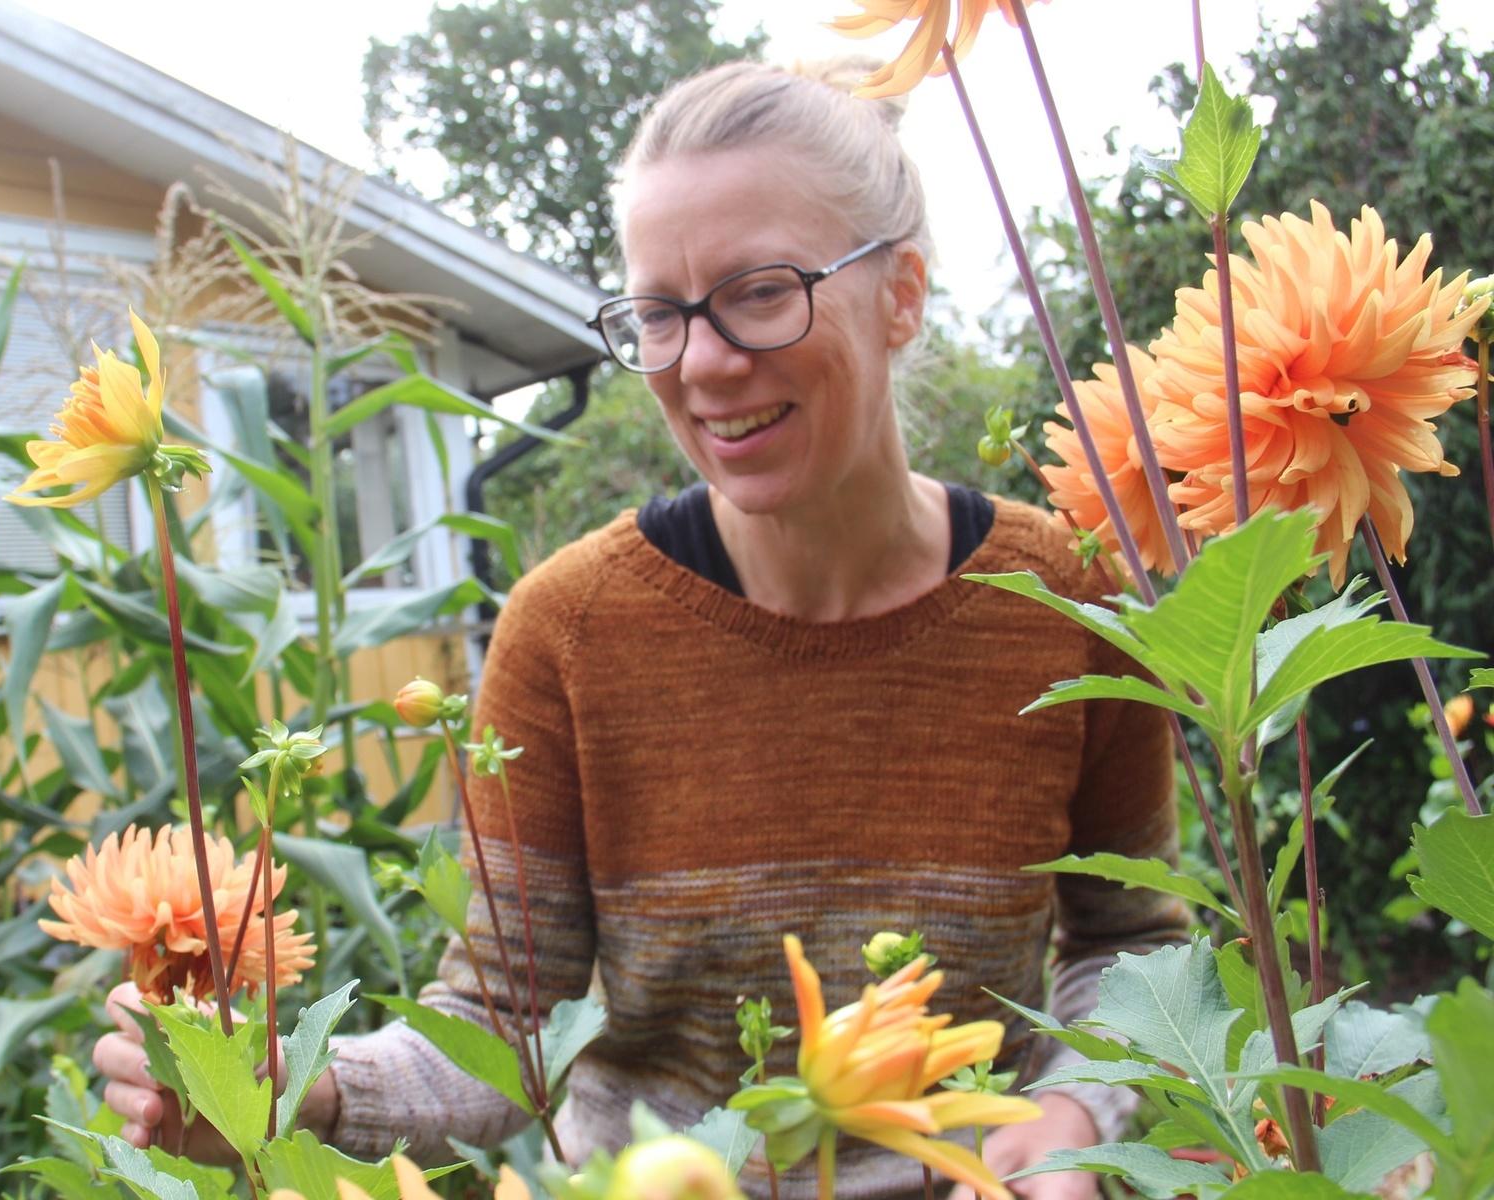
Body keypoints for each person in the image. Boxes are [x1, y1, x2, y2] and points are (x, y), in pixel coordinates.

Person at [92, 54, 1185, 1199]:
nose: (704, 364)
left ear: (901, 293)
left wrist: (1075, 1112)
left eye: (762, 291)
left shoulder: (1063, 597)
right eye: (659, 313)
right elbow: (505, 1032)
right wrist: (298, 1088)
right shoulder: (572, 632)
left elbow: (1133, 943)